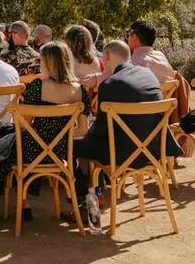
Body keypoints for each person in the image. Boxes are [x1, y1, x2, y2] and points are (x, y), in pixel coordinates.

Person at [0, 41, 91, 218]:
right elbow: (82, 131)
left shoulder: (37, 87)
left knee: (6, 140)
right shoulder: (80, 91)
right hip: (61, 152)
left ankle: (23, 204)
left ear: (47, 62)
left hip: (31, 151)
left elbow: (23, 126)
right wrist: (59, 136)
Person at [74, 40, 182, 201]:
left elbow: (100, 131)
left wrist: (85, 133)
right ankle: (93, 193)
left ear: (108, 56)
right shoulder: (148, 75)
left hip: (121, 154)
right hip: (152, 151)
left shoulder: (110, 84)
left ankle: (85, 201)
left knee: (72, 145)